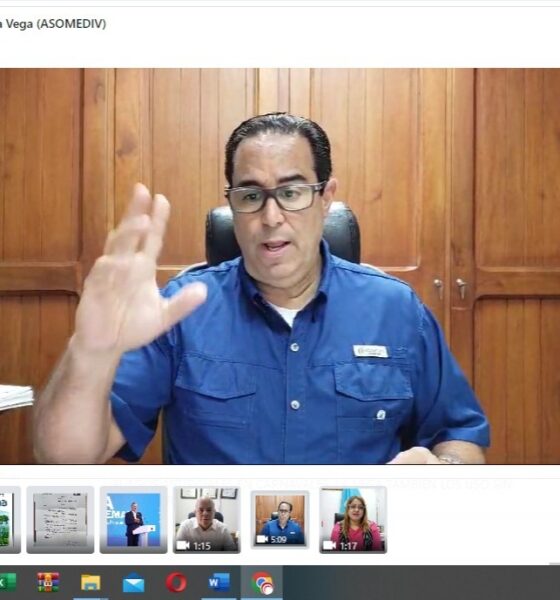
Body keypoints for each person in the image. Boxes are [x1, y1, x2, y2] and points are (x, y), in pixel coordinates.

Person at [34, 112, 490, 465]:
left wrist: (442, 470)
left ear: (326, 197)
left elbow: (462, 438)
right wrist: (89, 352)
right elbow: (64, 457)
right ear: (232, 204)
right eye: (251, 196)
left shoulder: (396, 310)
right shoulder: (180, 310)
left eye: (291, 193)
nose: (271, 218)